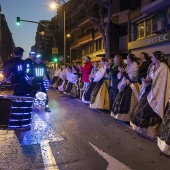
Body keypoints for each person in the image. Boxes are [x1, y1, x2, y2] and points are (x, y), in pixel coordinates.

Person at [130, 51, 170, 138]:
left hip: (157, 92)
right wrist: (147, 80)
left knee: (149, 109)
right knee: (140, 108)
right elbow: (151, 77)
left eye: (152, 57)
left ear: (157, 58)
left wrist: (151, 83)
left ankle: (151, 131)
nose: (151, 59)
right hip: (149, 89)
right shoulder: (152, 67)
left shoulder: (164, 68)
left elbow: (162, 83)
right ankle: (142, 129)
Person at [111, 54, 140, 122]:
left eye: (127, 58)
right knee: (122, 101)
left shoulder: (135, 66)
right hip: (126, 85)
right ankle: (122, 116)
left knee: (129, 102)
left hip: (132, 86)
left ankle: (128, 117)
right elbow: (124, 75)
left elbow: (131, 78)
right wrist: (122, 72)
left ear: (130, 59)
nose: (126, 60)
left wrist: (123, 72)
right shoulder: (128, 66)